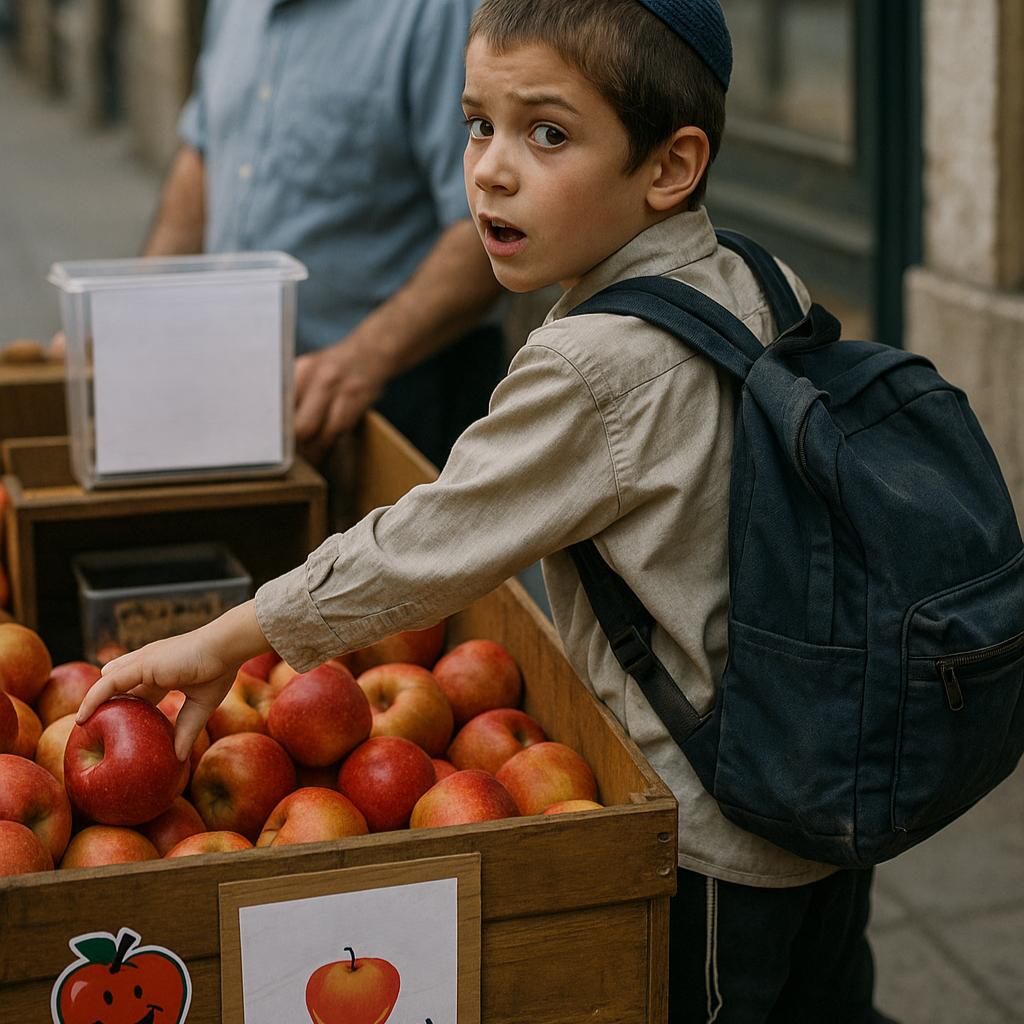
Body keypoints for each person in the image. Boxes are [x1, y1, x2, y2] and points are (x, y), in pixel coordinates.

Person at [79, 1, 898, 1020]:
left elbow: (424, 546)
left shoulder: (590, 364)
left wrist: (230, 638)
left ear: (668, 166)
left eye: (546, 133)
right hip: (821, 781)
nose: (492, 169)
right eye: (479, 123)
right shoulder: (758, 276)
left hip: (710, 835)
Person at [143, 0, 505, 470]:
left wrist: (359, 360)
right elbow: (205, 153)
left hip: (395, 400)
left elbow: (485, 222)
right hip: (234, 385)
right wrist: (134, 317)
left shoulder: (437, 12)